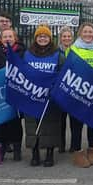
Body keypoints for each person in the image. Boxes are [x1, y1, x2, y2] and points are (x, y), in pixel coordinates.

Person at [23, 25, 64, 167]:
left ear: (50, 38)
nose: (42, 38)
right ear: (36, 38)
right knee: (32, 125)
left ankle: (49, 154)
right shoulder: (28, 53)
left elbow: (62, 73)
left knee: (50, 126)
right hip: (32, 95)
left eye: (45, 36)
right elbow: (23, 72)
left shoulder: (57, 54)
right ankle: (35, 153)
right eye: (40, 36)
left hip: (49, 97)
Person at [68, 22, 93, 168]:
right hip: (77, 92)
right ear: (80, 34)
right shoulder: (72, 49)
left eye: (91, 32)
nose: (88, 34)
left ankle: (91, 148)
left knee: (92, 123)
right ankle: (77, 152)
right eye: (85, 32)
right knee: (77, 124)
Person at [0, 28, 26, 164]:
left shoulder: (22, 52)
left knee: (15, 122)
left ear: (15, 38)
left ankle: (17, 149)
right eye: (5, 37)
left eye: (10, 36)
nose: (8, 39)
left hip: (16, 92)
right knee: (0, 123)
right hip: (0, 93)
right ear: (1, 39)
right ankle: (0, 150)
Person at [57, 26, 74, 153]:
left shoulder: (76, 51)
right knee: (60, 119)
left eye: (69, 36)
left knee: (74, 119)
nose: (66, 38)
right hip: (60, 89)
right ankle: (61, 143)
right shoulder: (56, 52)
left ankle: (74, 144)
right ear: (60, 38)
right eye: (64, 36)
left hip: (73, 89)